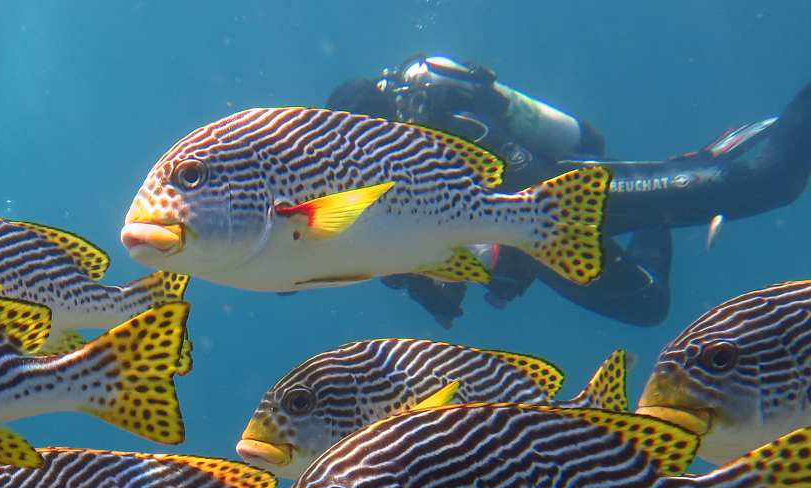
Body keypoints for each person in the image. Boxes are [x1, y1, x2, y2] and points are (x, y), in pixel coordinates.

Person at [328, 56, 811, 327]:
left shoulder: (442, 125)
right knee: (649, 306)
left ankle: (693, 173)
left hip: (572, 192)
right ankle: (678, 184)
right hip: (546, 249)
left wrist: (501, 257)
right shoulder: (368, 204)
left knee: (768, 182)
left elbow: (524, 178)